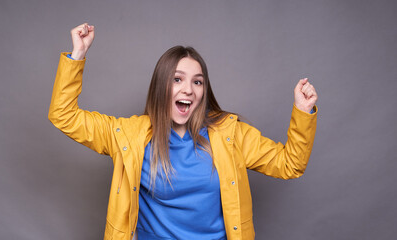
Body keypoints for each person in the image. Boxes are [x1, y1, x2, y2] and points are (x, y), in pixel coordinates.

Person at [48, 23, 318, 240]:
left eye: (197, 82)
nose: (188, 89)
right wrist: (77, 56)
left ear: (203, 90)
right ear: (161, 86)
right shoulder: (127, 135)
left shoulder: (231, 134)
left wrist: (302, 112)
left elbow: (290, 164)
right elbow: (63, 115)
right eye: (177, 79)